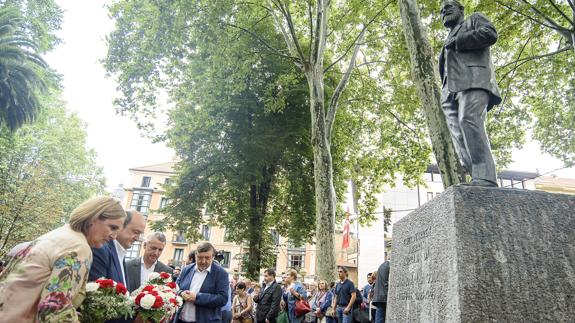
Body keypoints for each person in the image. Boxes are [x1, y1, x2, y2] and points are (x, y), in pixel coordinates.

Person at [0, 196, 125, 322]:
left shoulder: (60, 235)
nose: (114, 237)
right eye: (112, 227)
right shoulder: (78, 248)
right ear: (93, 218)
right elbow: (54, 312)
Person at [439, 0, 501, 187]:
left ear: (461, 9)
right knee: (458, 133)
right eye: (441, 11)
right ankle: (477, 176)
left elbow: (490, 34)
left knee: (469, 120)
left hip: (474, 81)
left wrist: (458, 41)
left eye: (448, 7)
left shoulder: (474, 19)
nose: (444, 11)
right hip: (449, 91)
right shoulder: (446, 39)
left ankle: (486, 177)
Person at [176, 242, 230, 323]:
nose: (203, 261)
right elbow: (175, 288)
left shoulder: (221, 273)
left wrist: (197, 297)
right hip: (180, 320)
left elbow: (223, 299)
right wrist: (181, 293)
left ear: (212, 257)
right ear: (195, 256)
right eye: (200, 257)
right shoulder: (186, 269)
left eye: (207, 258)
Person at [89, 210, 146, 284]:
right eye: (136, 232)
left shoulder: (120, 252)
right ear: (121, 226)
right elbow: (95, 291)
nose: (137, 238)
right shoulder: (101, 249)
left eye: (140, 234)